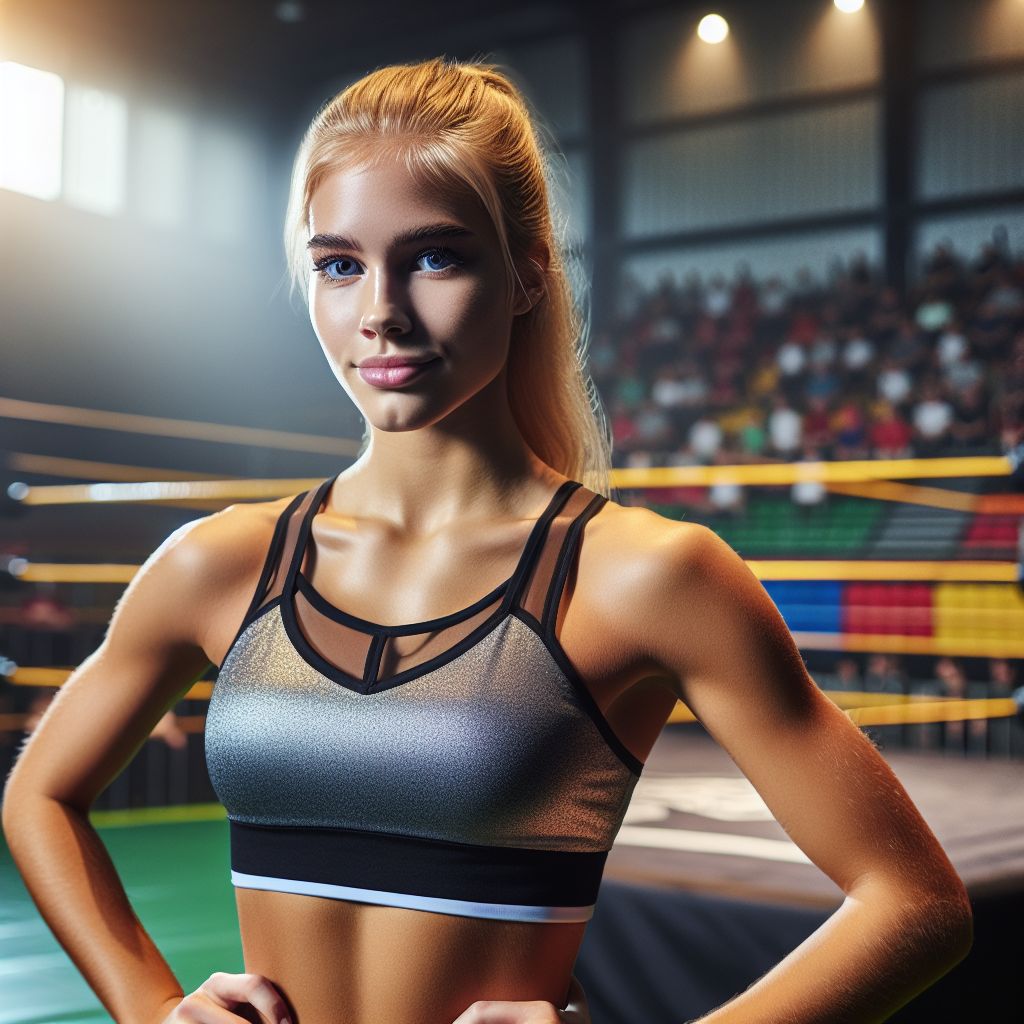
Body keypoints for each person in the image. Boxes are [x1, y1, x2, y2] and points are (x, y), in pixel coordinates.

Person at [1, 57, 972, 1024]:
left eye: (433, 257)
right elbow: (38, 794)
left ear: (525, 275)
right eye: (338, 264)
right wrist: (151, 1007)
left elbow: (915, 901)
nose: (378, 310)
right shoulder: (220, 564)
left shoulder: (647, 578)